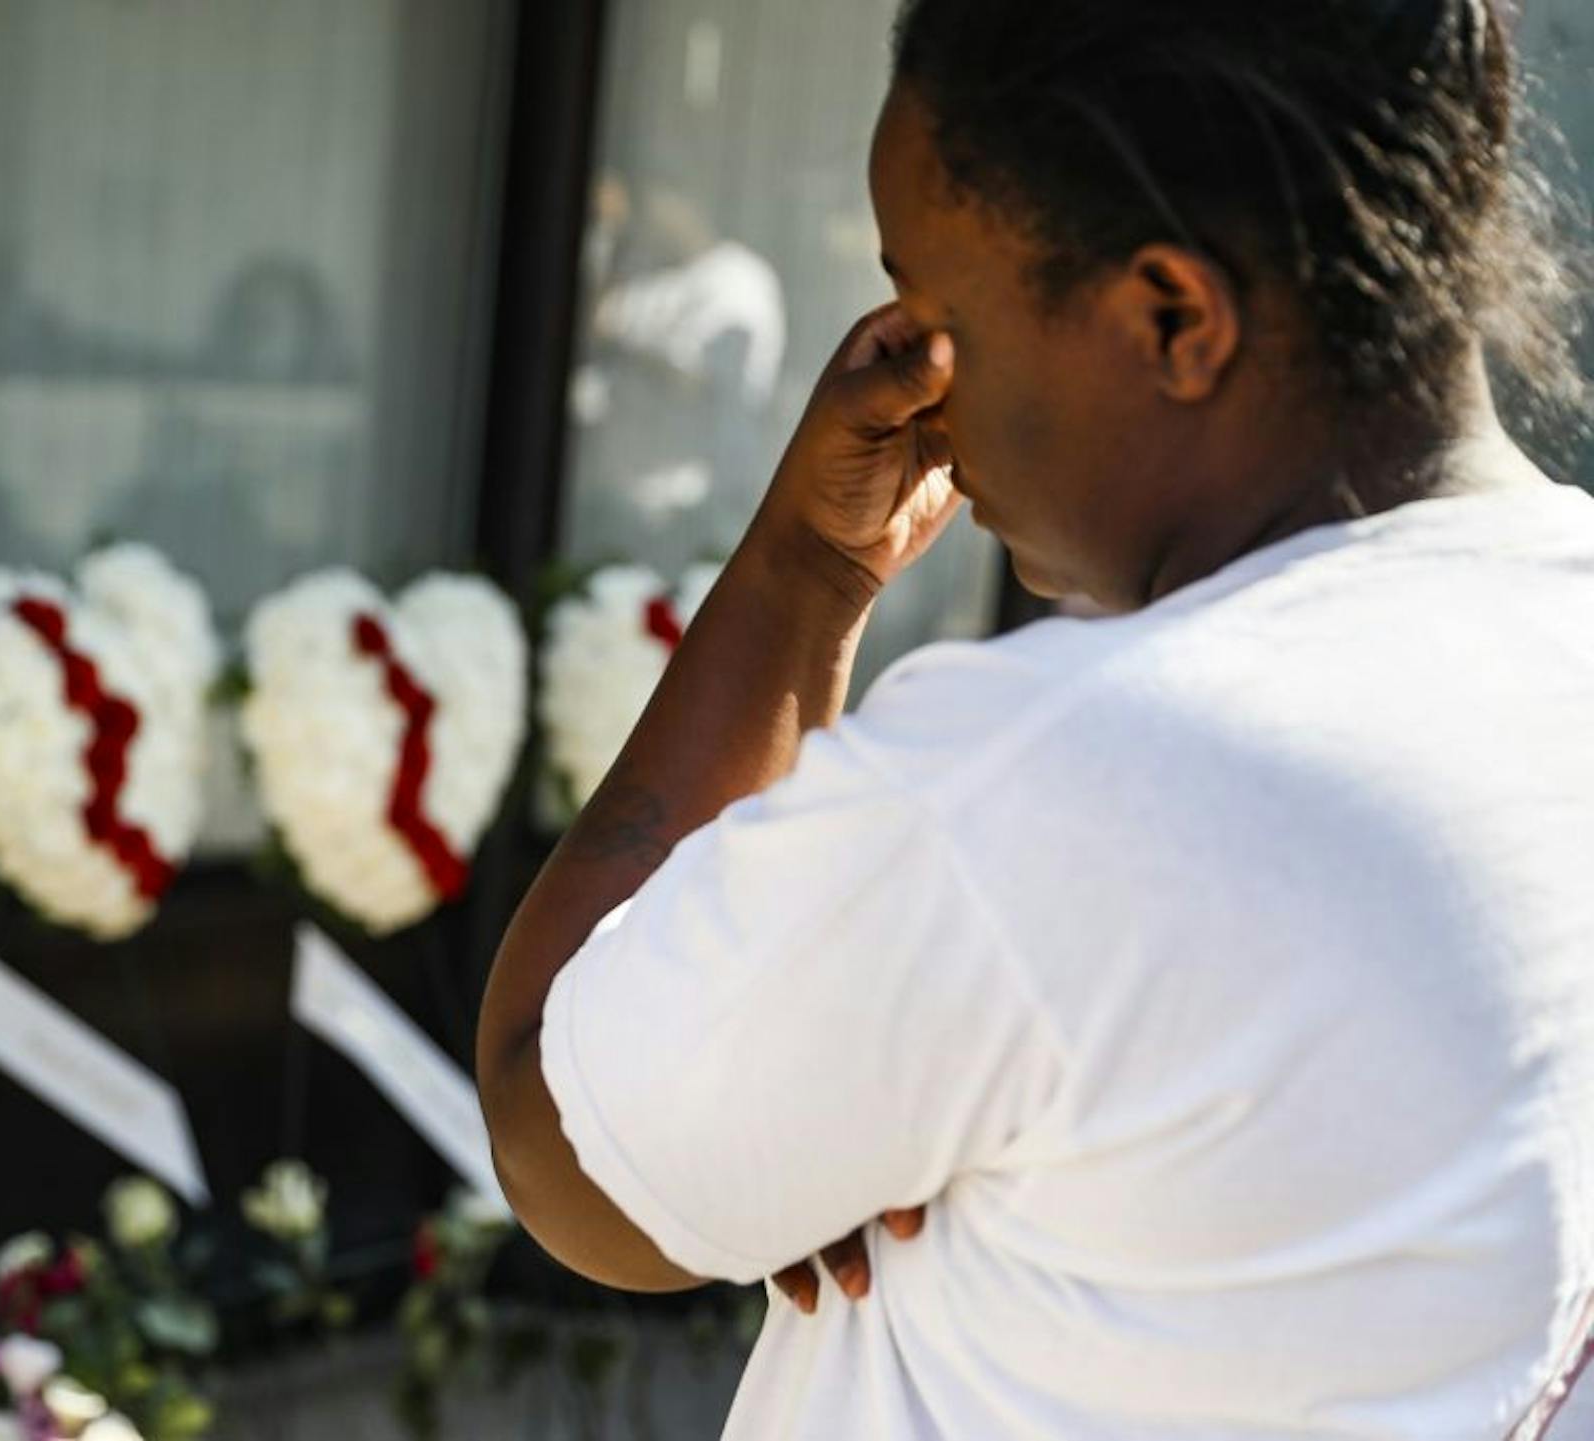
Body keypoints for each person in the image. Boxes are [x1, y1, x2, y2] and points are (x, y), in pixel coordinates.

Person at [477, 0, 1594, 1435]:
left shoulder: (1063, 779)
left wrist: (804, 574)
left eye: (936, 316)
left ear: (1174, 319)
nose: (908, 393)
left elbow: (561, 1137)